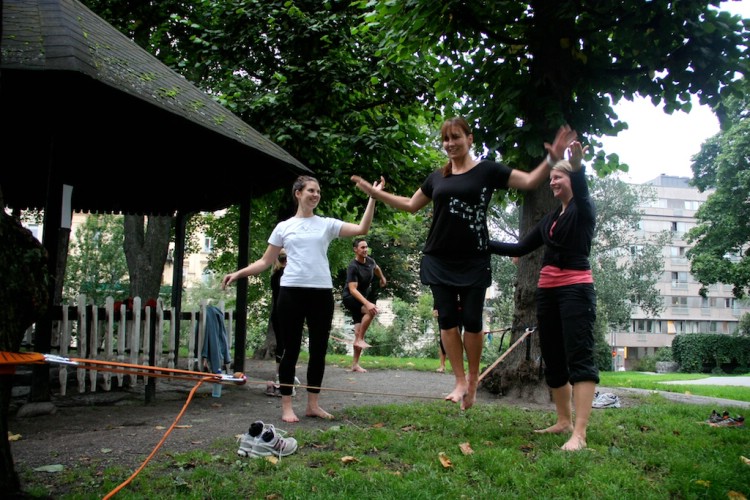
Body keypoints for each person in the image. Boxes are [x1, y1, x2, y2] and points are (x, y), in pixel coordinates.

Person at [351, 116, 578, 411]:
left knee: (472, 320)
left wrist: (552, 158)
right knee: (447, 319)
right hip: (439, 257)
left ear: (470, 139)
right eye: (445, 139)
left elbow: (530, 181)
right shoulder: (437, 177)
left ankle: (473, 379)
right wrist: (374, 192)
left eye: (455, 137)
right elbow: (409, 204)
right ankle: (459, 380)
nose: (450, 144)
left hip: (474, 257)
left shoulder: (488, 170)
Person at [222, 175, 384, 423]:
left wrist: (373, 197)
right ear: (298, 193)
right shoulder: (284, 227)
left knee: (319, 351)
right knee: (290, 350)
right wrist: (238, 273)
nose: (316, 194)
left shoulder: (326, 224)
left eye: (318, 191)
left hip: (320, 294)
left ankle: (313, 405)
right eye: (311, 190)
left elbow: (362, 229)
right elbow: (265, 262)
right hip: (291, 293)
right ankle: (287, 406)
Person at [488, 141, 598, 451]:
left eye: (558, 177)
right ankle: (563, 421)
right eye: (550, 178)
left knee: (580, 356)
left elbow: (584, 190)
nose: (552, 182)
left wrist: (576, 166)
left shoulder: (583, 209)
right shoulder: (549, 220)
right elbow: (520, 248)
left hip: (576, 289)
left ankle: (579, 433)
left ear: (570, 181)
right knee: (553, 357)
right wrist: (482, 242)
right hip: (547, 292)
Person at [342, 238, 387, 373]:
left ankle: (355, 364)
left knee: (358, 330)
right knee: (371, 311)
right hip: (350, 298)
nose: (365, 249)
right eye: (362, 247)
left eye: (366, 247)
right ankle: (360, 339)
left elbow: (377, 268)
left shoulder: (370, 261)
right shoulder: (353, 266)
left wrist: (382, 278)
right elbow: (353, 289)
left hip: (361, 299)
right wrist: (367, 303)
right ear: (355, 250)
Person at [265, 249, 290, 397]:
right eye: (284, 259)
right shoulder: (281, 275)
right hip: (283, 314)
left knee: (284, 345)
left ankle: (281, 376)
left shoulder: (276, 275)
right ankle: (281, 377)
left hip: (281, 314)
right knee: (285, 346)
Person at [433, 306, 447, 373]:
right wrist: (435, 308)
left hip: (459, 308)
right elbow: (437, 295)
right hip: (443, 309)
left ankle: (459, 368)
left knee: (458, 337)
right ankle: (442, 365)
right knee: (443, 338)